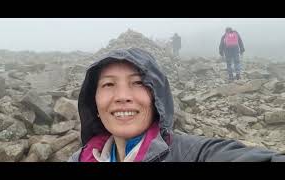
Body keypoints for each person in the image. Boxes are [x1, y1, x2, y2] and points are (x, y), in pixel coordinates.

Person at [69, 47, 285, 162]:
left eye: (138, 82)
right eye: (108, 84)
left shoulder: (192, 154)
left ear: (157, 97)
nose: (122, 96)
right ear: (93, 100)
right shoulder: (80, 158)